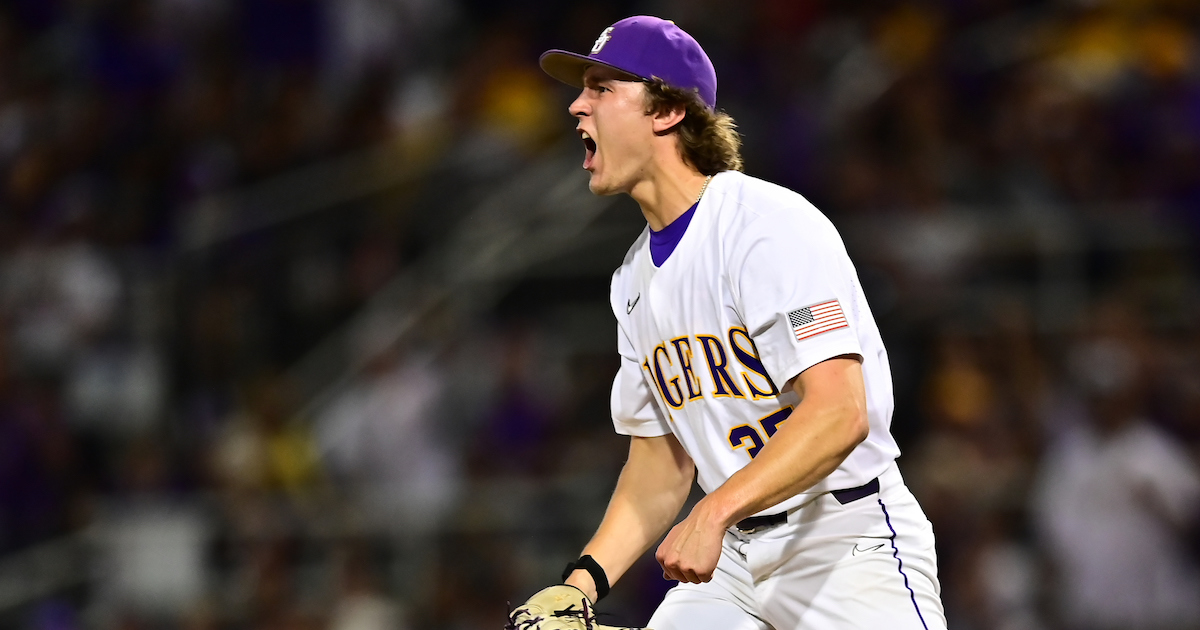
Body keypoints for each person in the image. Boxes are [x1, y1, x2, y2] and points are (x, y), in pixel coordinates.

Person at [512, 16, 946, 630]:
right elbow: (660, 463)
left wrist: (714, 512)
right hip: (735, 560)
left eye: (603, 88)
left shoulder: (764, 225)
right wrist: (581, 585)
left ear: (666, 112)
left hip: (844, 539)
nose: (578, 106)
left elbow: (840, 411)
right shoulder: (633, 280)